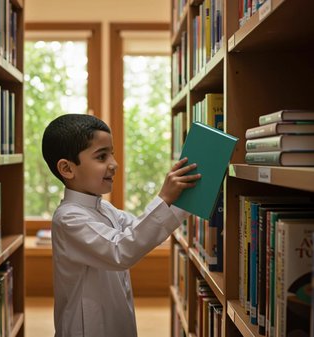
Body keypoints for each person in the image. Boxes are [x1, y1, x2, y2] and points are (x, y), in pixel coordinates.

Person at [41, 114, 201, 337]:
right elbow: (121, 249)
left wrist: (189, 198)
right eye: (101, 157)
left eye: (112, 154)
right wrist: (163, 198)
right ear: (67, 169)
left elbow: (141, 230)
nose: (114, 164)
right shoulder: (68, 219)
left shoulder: (104, 209)